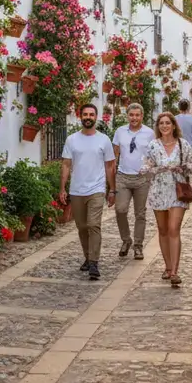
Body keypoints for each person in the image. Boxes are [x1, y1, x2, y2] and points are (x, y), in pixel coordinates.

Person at [59, 104, 116, 280]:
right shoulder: (72, 140)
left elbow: (110, 165)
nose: (88, 117)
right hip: (77, 190)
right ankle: (87, 256)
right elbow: (67, 164)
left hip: (96, 189)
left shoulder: (104, 140)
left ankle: (94, 262)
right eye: (85, 114)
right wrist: (62, 188)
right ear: (80, 116)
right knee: (82, 227)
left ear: (96, 117)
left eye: (91, 114)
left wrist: (112, 189)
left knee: (93, 225)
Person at [142, 112, 192, 288]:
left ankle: (174, 271)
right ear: (158, 127)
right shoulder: (153, 146)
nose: (164, 126)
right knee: (163, 229)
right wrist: (155, 168)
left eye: (167, 123)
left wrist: (181, 167)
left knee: (174, 228)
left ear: (173, 126)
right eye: (161, 123)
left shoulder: (183, 144)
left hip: (177, 191)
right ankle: (167, 266)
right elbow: (145, 167)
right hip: (158, 191)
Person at [112, 103, 155, 260]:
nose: (134, 118)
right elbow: (114, 155)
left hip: (142, 178)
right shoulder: (120, 132)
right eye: (131, 115)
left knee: (140, 214)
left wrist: (149, 171)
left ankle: (138, 246)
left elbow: (154, 155)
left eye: (137, 115)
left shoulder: (150, 133)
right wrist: (111, 177)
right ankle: (126, 239)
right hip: (123, 177)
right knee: (120, 209)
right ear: (127, 116)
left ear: (142, 116)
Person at [176, 100, 192, 168]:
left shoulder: (174, 119)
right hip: (191, 147)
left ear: (179, 108)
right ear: (188, 108)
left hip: (178, 147)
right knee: (189, 169)